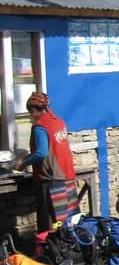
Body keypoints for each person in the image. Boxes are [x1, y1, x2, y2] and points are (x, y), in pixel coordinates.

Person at [12, 92, 77, 233]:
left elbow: (42, 153)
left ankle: (52, 252)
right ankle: (73, 249)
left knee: (50, 224)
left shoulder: (40, 126)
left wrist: (22, 163)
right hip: (67, 175)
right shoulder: (59, 122)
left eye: (31, 112)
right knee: (69, 221)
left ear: (34, 110)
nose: (31, 116)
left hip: (52, 179)